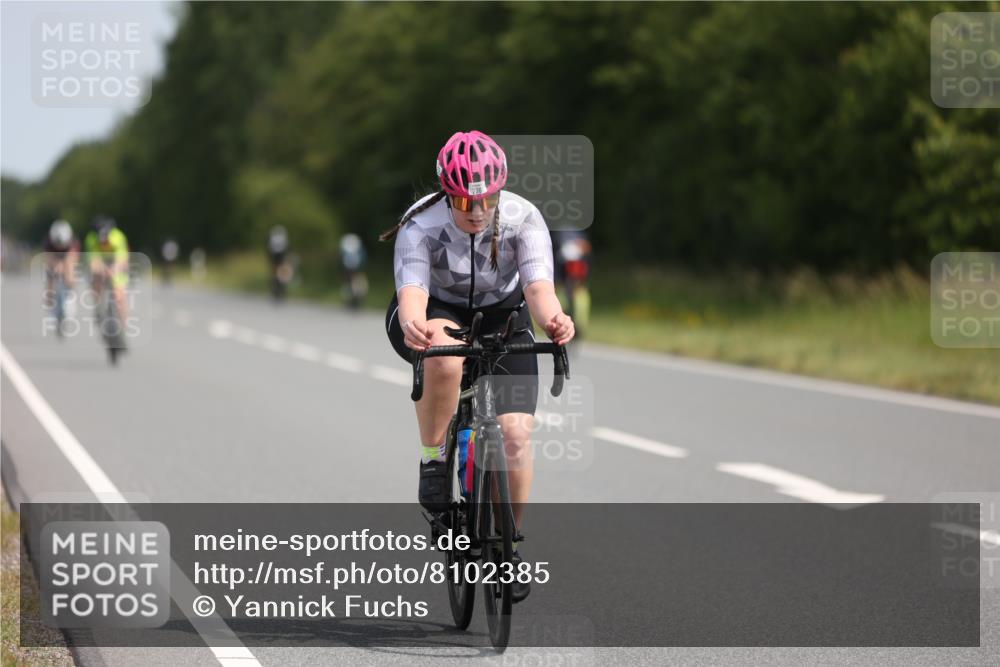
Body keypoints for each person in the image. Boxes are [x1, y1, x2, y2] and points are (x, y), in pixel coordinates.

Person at [381, 130, 574, 602]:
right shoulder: (419, 224)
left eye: (485, 199)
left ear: (499, 191)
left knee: (515, 436)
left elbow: (537, 287)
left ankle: (508, 548)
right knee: (445, 362)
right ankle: (434, 458)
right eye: (464, 200)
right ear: (447, 193)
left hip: (505, 314)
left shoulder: (524, 219)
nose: (476, 210)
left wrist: (553, 318)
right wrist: (413, 324)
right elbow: (413, 294)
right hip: (436, 310)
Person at [84, 216, 130, 337]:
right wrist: (101, 270)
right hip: (101, 263)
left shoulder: (118, 237)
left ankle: (123, 326)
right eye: (101, 240)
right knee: (95, 277)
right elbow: (93, 261)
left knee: (119, 295)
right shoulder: (91, 239)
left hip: (116, 263)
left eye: (106, 240)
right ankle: (98, 308)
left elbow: (122, 260)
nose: (103, 242)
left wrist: (114, 270)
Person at [339, 233, 368, 309]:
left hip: (354, 272)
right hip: (352, 272)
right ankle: (351, 303)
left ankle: (354, 303)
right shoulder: (356, 250)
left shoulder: (348, 248)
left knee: (357, 288)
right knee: (352, 288)